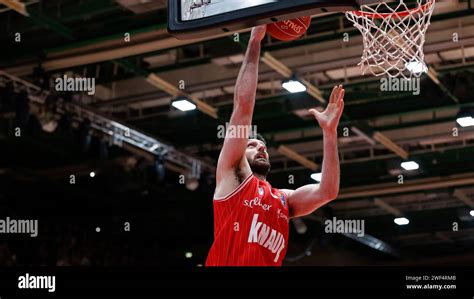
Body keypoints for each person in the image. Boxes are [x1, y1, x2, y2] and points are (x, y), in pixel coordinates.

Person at [205, 25, 345, 266]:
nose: (261, 148)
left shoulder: (283, 200)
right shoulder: (233, 175)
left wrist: (330, 133)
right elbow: (244, 105)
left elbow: (328, 191)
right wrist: (255, 42)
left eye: (264, 147)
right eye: (251, 144)